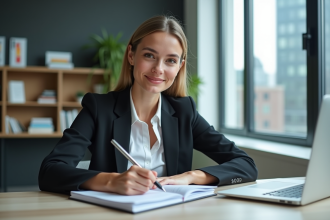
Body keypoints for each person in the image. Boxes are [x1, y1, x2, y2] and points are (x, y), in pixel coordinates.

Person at [39, 15, 258, 195]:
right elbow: (50, 172)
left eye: (170, 60)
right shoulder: (99, 109)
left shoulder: (184, 112)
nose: (158, 69)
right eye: (149, 55)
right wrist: (110, 181)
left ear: (180, 66)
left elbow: (246, 165)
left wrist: (192, 177)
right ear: (132, 55)